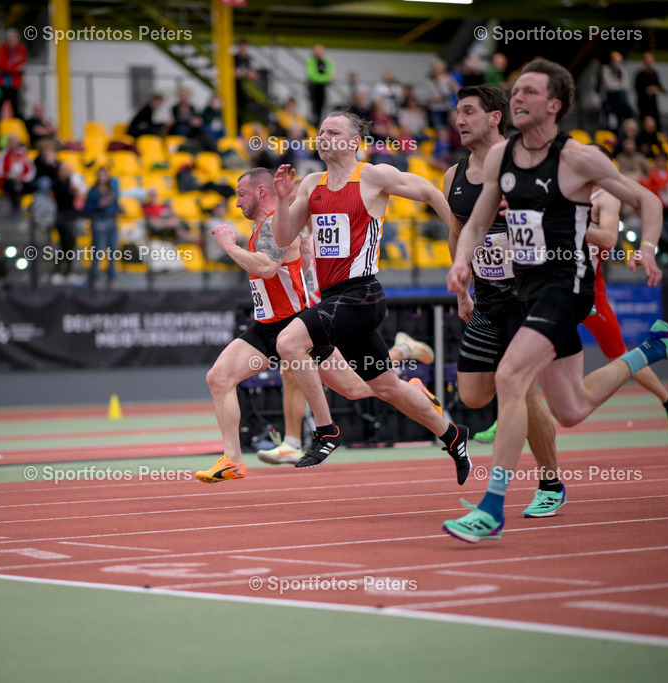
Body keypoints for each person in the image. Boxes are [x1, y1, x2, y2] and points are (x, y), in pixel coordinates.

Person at [443, 58, 668, 543]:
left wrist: (645, 250)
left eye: (529, 92)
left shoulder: (577, 158)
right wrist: (462, 263)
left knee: (511, 377)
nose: (518, 97)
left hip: (567, 286)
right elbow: (475, 224)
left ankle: (492, 507)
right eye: (515, 90)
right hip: (523, 287)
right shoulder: (500, 160)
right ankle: (653, 348)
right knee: (572, 409)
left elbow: (648, 200)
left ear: (555, 104)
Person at [195, 168, 442, 482]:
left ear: (261, 192)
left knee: (356, 389)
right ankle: (232, 460)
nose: (236, 203)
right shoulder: (263, 228)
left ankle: (407, 370)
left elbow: (269, 268)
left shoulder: (275, 225)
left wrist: (229, 246)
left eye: (241, 194)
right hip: (266, 328)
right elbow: (293, 266)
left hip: (298, 329)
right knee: (218, 378)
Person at [270, 111, 472, 483]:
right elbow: (282, 239)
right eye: (320, 131)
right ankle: (452, 434)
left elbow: (428, 192)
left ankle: (326, 432)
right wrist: (282, 201)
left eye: (333, 131)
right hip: (336, 300)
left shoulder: (373, 176)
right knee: (385, 387)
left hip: (361, 294)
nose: (323, 136)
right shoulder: (312, 183)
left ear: (352, 142)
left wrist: (463, 241)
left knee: (288, 342)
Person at [440, 84, 565, 516]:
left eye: (469, 112)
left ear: (495, 118)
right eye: (457, 112)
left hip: (529, 297)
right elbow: (460, 233)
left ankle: (550, 483)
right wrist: (463, 283)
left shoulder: (524, 162)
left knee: (519, 387)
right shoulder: (453, 176)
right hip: (489, 298)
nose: (459, 120)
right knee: (474, 394)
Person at [584, 177, 668, 443]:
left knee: (621, 357)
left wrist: (571, 228)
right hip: (554, 291)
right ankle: (505, 417)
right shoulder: (558, 188)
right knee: (530, 347)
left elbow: (608, 239)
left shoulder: (605, 197)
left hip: (590, 294)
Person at [84, 167, 121, 289]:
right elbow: (87, 208)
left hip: (111, 221)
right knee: (97, 253)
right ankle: (94, 279)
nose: (102, 178)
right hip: (99, 221)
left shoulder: (112, 188)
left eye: (104, 175)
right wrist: (99, 205)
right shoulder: (93, 191)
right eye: (100, 175)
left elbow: (116, 204)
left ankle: (112, 279)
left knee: (112, 254)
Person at [0, 133, 36, 212]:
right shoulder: (3, 154)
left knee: (35, 185)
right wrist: (8, 175)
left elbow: (31, 170)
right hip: (8, 181)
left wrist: (22, 178)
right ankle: (16, 207)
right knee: (11, 184)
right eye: (10, 142)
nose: (12, 144)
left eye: (14, 142)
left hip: (21, 180)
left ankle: (32, 208)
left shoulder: (23, 154)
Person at [0, 29, 27, 119]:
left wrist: (9, 69)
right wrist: (15, 69)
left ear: (17, 39)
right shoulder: (1, 49)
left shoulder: (21, 49)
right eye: (9, 39)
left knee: (17, 109)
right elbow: (1, 66)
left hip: (15, 85)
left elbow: (23, 65)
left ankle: (17, 129)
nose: (10, 42)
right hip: (2, 84)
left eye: (13, 39)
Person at [599, 51, 634, 131]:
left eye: (619, 62)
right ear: (611, 61)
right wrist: (619, 84)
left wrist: (614, 84)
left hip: (620, 102)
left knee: (620, 121)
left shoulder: (623, 70)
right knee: (608, 122)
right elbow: (608, 86)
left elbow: (626, 86)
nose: (617, 64)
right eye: (615, 61)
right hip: (608, 100)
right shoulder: (605, 69)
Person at [633, 52, 665, 129]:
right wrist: (647, 90)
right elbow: (637, 88)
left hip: (653, 103)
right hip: (643, 103)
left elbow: (659, 86)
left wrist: (658, 89)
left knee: (656, 122)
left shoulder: (654, 74)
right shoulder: (640, 74)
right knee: (644, 122)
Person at [305, 44, 333, 128]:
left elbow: (330, 75)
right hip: (313, 88)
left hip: (322, 88)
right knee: (314, 107)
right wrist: (324, 78)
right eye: (317, 52)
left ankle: (320, 123)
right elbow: (312, 76)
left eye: (320, 52)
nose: (318, 54)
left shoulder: (326, 62)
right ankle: (314, 123)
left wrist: (321, 79)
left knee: (322, 107)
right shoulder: (311, 61)